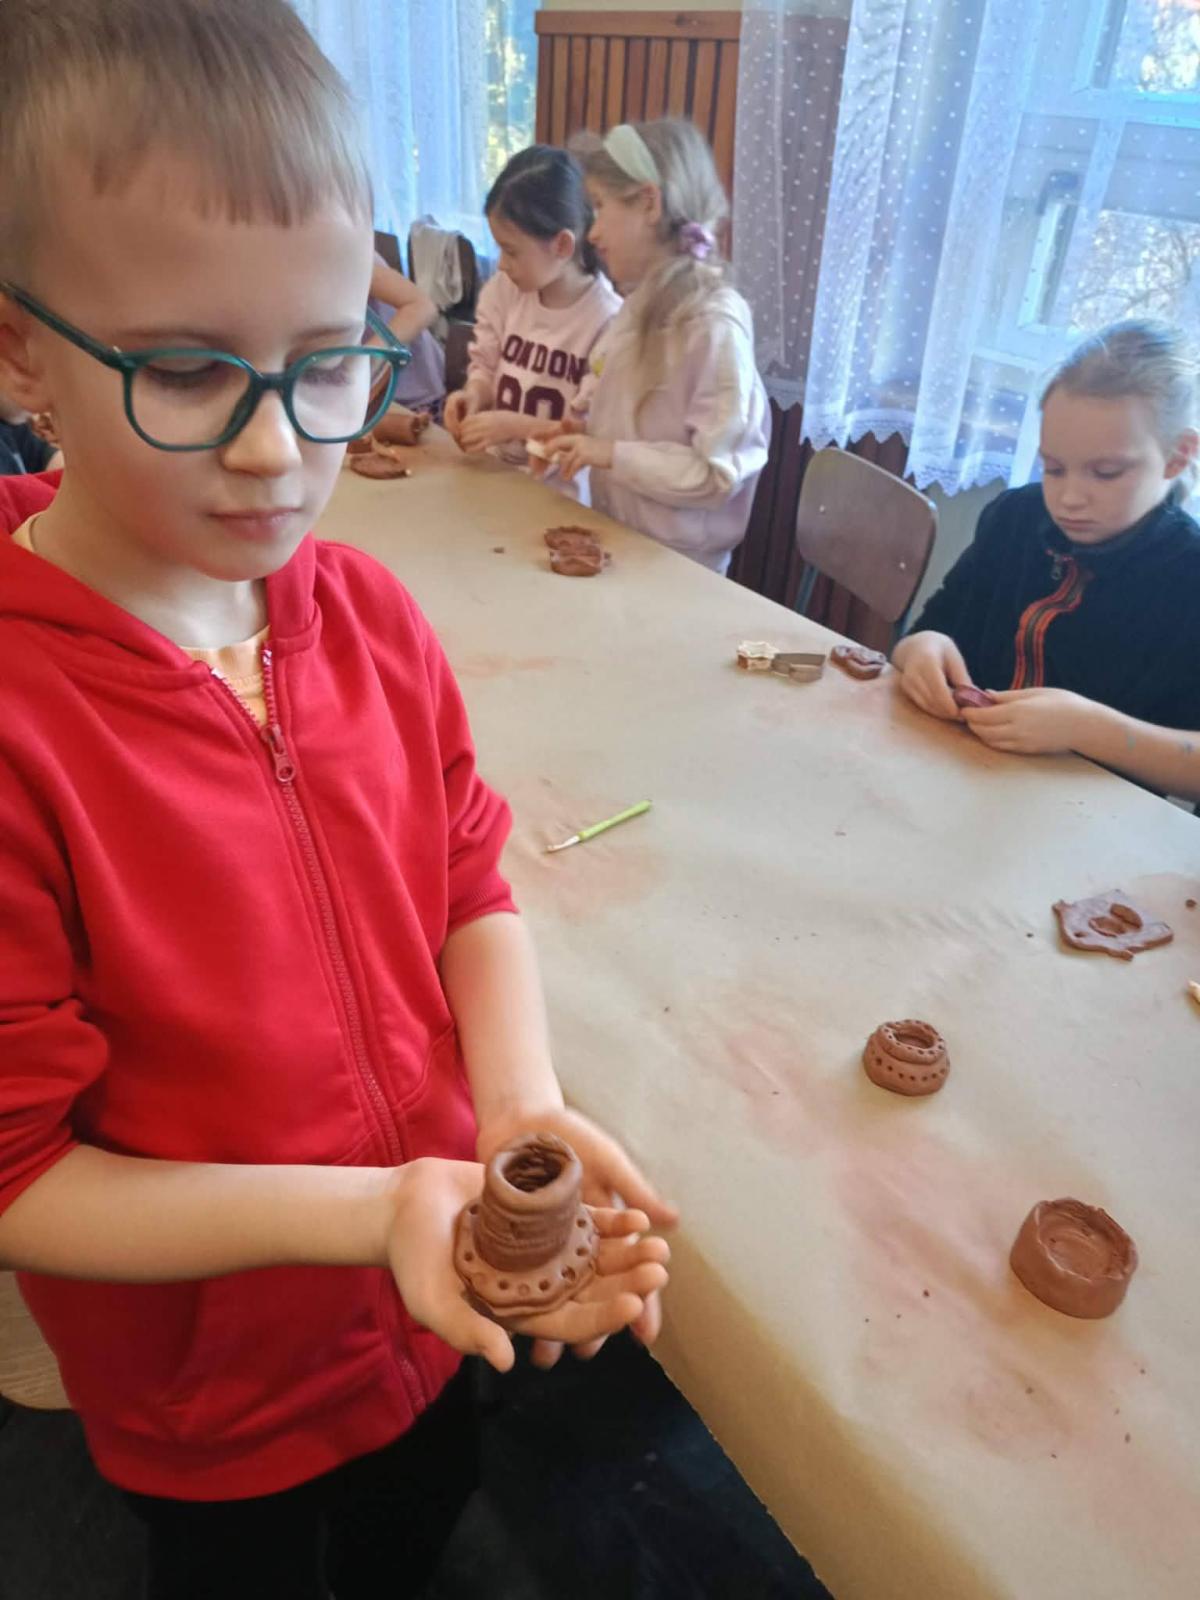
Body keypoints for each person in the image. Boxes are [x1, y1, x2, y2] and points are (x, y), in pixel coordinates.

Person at [0, 5, 674, 1598]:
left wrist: (515, 1107)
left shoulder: (368, 616)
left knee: (414, 1525)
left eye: (326, 364)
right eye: (186, 370)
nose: (274, 452)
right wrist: (370, 1211)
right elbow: (22, 1178)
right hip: (211, 1398)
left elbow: (469, 889)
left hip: (429, 1309)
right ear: (21, 349)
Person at [893, 321, 1200, 791]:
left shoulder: (1187, 576)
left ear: (1178, 456)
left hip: (1089, 816)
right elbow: (933, 627)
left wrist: (1088, 729)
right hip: (956, 776)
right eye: (1053, 468)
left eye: (1106, 472)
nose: (1069, 499)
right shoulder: (1014, 518)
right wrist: (920, 649)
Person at [540, 118, 769, 575]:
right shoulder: (638, 305)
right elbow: (628, 408)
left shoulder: (712, 326)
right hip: (624, 542)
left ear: (649, 202)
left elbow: (716, 474)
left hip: (680, 571)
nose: (592, 233)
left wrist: (610, 453)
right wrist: (583, 430)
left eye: (600, 206)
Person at [443, 145, 620, 472]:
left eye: (511, 251)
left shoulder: (607, 320)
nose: (502, 263)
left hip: (559, 488)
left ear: (562, 245)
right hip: (496, 472)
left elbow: (590, 432)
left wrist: (514, 426)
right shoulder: (503, 290)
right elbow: (485, 366)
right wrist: (474, 394)